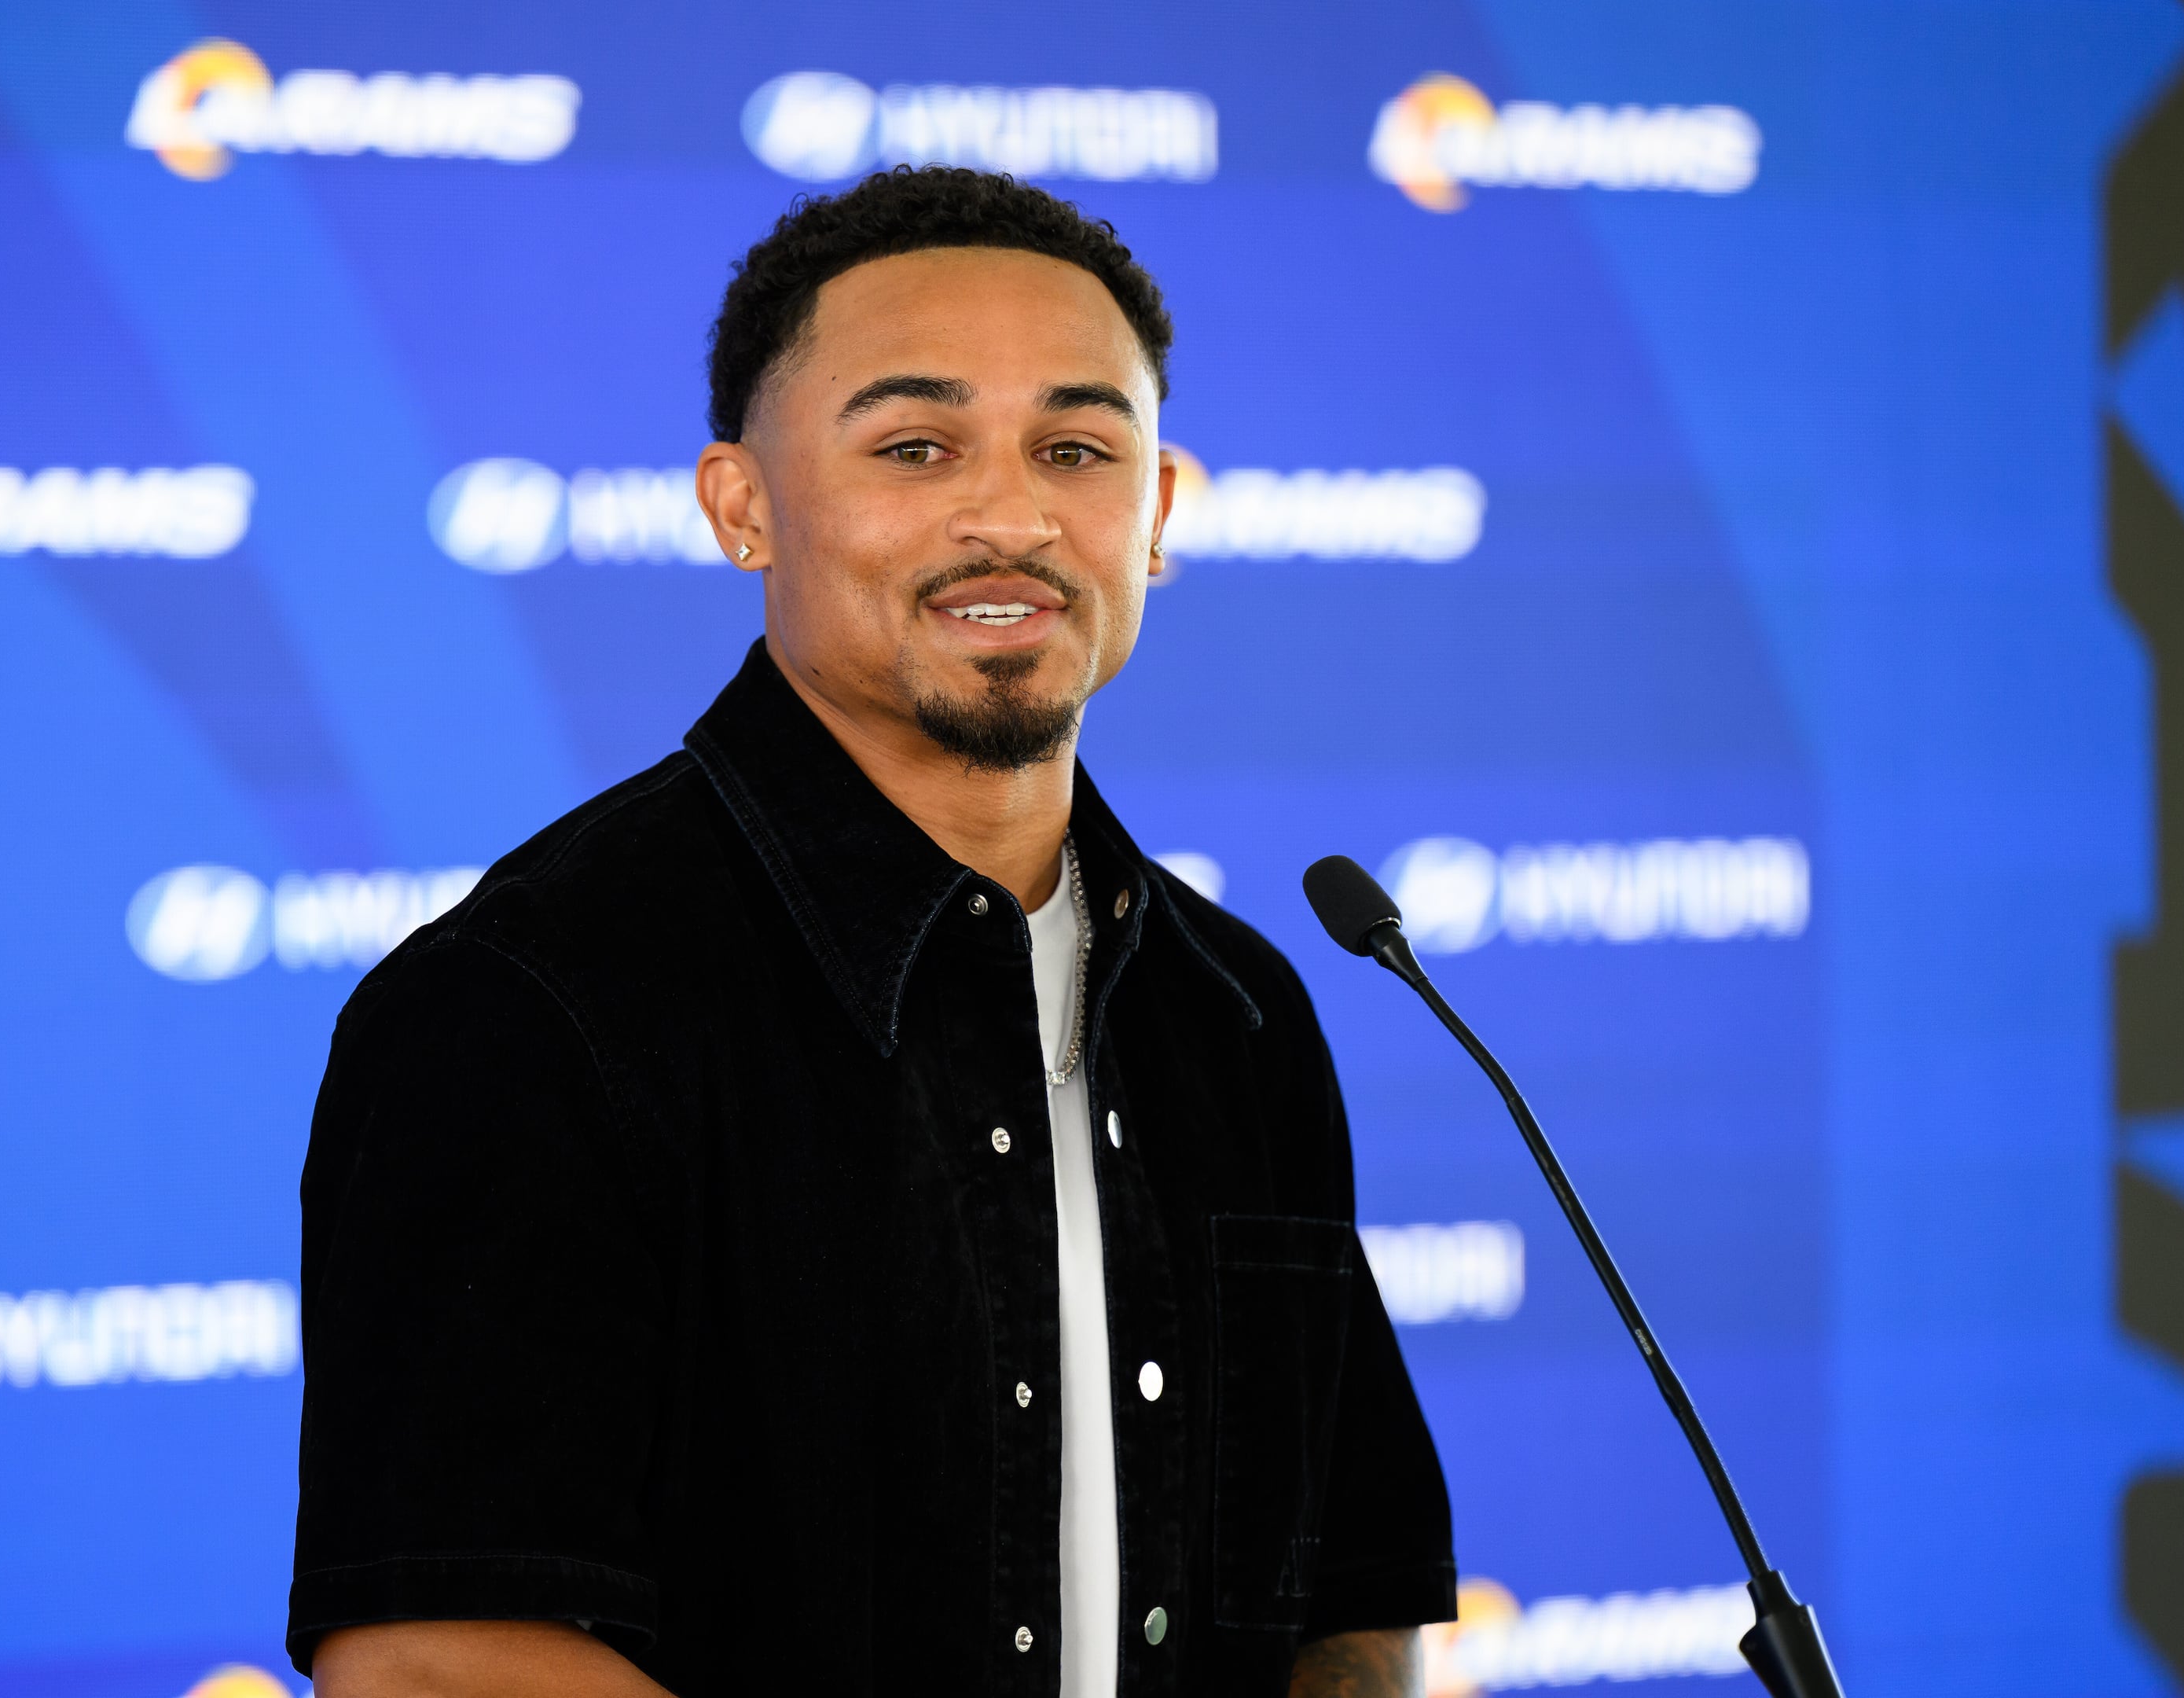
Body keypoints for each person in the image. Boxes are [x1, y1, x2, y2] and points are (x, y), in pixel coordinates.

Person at [288, 166, 1455, 1698]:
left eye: (1078, 447)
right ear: (742, 508)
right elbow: (435, 1656)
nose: (1012, 514)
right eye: (916, 445)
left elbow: (1351, 1597)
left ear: (1157, 515)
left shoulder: (1238, 1012)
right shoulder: (529, 1005)